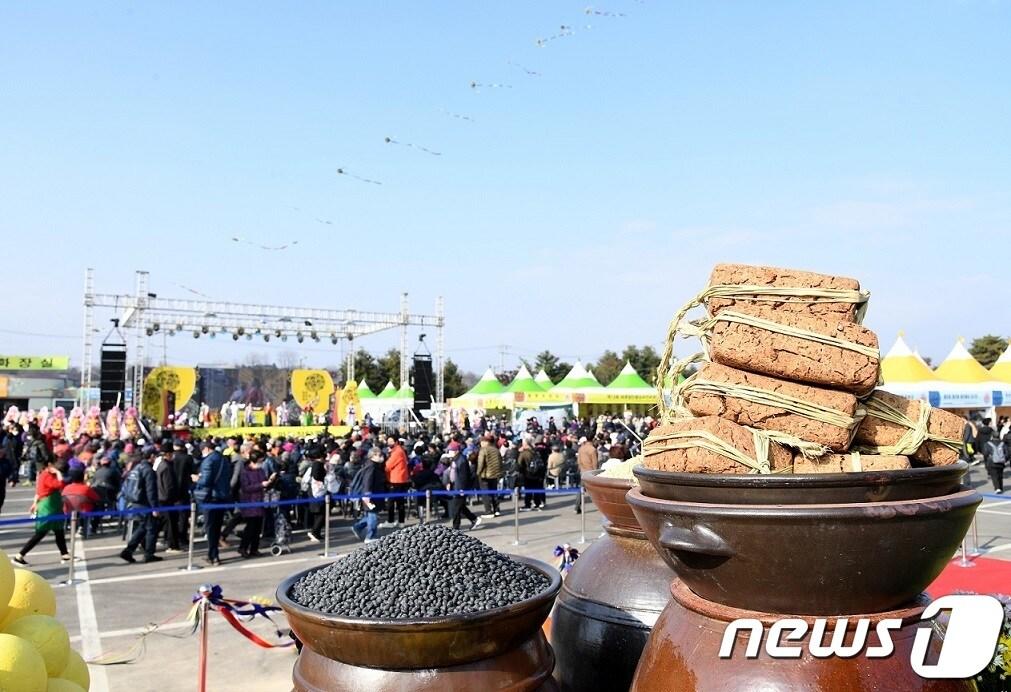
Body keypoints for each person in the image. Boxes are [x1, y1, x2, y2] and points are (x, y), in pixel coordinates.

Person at [13, 457, 68, 565]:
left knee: (59, 531)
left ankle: (65, 554)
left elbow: (38, 491)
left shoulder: (45, 474)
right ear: (49, 465)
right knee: (40, 533)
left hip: (53, 506)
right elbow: (59, 485)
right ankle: (19, 555)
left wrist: (34, 503)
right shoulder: (47, 475)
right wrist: (58, 473)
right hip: (48, 507)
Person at [192, 440, 232, 566]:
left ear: (206, 449)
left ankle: (213, 555)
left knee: (210, 528)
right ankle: (214, 555)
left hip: (211, 497)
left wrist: (197, 479)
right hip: (222, 496)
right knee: (217, 526)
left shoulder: (208, 461)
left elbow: (206, 481)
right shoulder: (224, 459)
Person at [120, 447, 162, 564]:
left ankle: (128, 551)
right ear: (152, 456)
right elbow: (151, 490)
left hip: (135, 501)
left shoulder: (137, 467)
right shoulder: (149, 470)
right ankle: (149, 554)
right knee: (151, 528)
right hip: (145, 503)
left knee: (143, 527)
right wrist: (154, 507)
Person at [351, 447, 386, 543]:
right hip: (371, 495)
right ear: (372, 456)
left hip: (373, 494)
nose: (381, 457)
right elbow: (368, 480)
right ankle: (370, 536)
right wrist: (367, 494)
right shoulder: (371, 467)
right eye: (379, 455)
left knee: (371, 514)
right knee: (372, 514)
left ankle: (358, 527)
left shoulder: (372, 465)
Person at [238, 452, 268, 557]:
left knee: (258, 528)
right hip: (249, 502)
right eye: (260, 461)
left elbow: (264, 480)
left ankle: (254, 548)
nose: (261, 463)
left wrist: (268, 483)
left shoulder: (261, 470)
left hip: (260, 501)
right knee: (250, 527)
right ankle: (243, 547)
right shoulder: (245, 472)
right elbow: (246, 488)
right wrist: (260, 485)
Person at [445, 442, 480, 531]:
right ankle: (474, 519)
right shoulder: (455, 459)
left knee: (456, 508)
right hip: (455, 486)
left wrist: (462, 489)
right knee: (460, 506)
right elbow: (452, 473)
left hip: (460, 488)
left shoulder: (461, 460)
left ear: (456, 451)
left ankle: (456, 527)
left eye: (451, 450)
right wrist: (449, 482)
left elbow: (463, 477)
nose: (449, 452)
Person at [153, 442, 180, 552]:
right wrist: (174, 497)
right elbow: (169, 485)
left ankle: (147, 540)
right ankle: (172, 545)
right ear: (168, 454)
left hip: (161, 497)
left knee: (164, 522)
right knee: (171, 523)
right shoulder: (167, 467)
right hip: (167, 498)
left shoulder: (160, 465)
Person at [383, 437, 409, 528]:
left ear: (396, 442)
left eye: (391, 441)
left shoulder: (397, 452)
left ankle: (391, 521)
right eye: (388, 441)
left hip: (395, 479)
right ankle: (401, 521)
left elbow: (388, 465)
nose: (389, 443)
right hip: (400, 479)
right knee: (400, 501)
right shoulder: (399, 450)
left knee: (391, 501)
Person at [476, 435, 503, 518]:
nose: (480, 443)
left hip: (485, 475)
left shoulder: (483, 450)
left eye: (481, 442)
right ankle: (496, 510)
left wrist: (478, 473)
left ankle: (488, 511)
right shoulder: (496, 450)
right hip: (495, 474)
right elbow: (500, 462)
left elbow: (480, 463)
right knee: (494, 492)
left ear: (485, 442)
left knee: (485, 494)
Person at [305, 445, 327, 542]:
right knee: (321, 513)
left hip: (315, 490)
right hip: (317, 491)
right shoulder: (318, 464)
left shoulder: (315, 464)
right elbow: (317, 476)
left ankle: (316, 532)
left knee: (319, 513)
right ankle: (315, 532)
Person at [517, 440, 545, 511]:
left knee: (528, 490)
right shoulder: (535, 452)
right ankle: (537, 503)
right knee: (536, 489)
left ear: (525, 445)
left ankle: (528, 504)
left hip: (528, 473)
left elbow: (519, 463)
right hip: (537, 473)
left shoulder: (524, 453)